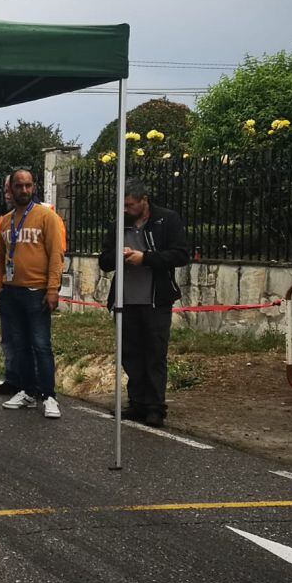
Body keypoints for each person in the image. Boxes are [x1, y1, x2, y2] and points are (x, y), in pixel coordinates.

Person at [98, 179, 188, 427]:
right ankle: (137, 402)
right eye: (123, 205)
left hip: (155, 299)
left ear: (144, 200)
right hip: (125, 300)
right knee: (130, 352)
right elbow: (104, 260)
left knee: (155, 353)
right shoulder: (118, 224)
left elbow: (180, 255)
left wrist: (146, 258)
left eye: (131, 205)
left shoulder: (167, 220)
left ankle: (156, 407)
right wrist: (120, 256)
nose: (126, 210)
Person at [0, 169, 65, 419]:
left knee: (41, 345)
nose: (24, 190)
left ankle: (49, 396)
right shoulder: (6, 220)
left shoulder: (46, 217)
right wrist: (0, 285)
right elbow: (0, 256)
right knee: (19, 345)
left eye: (28, 186)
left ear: (34, 187)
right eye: (19, 186)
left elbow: (56, 255)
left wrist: (53, 288)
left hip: (37, 292)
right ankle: (27, 391)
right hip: (12, 292)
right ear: (11, 189)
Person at [0, 174, 24, 397]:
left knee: (27, 336)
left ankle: (30, 382)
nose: (7, 193)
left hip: (24, 285)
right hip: (3, 284)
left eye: (10, 189)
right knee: (8, 334)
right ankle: (12, 378)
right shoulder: (5, 217)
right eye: (6, 188)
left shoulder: (36, 216)